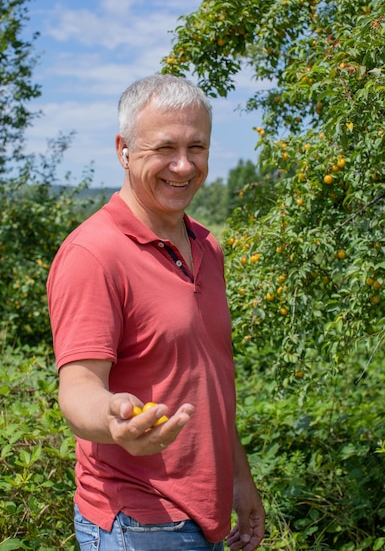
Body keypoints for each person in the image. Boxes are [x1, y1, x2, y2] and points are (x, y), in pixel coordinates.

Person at [47, 74, 265, 551]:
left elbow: (207, 378)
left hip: (201, 513)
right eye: (164, 147)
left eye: (197, 147)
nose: (183, 166)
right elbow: (79, 387)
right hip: (139, 522)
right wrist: (113, 420)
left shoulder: (207, 244)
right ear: (124, 149)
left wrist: (239, 479)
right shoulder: (94, 253)